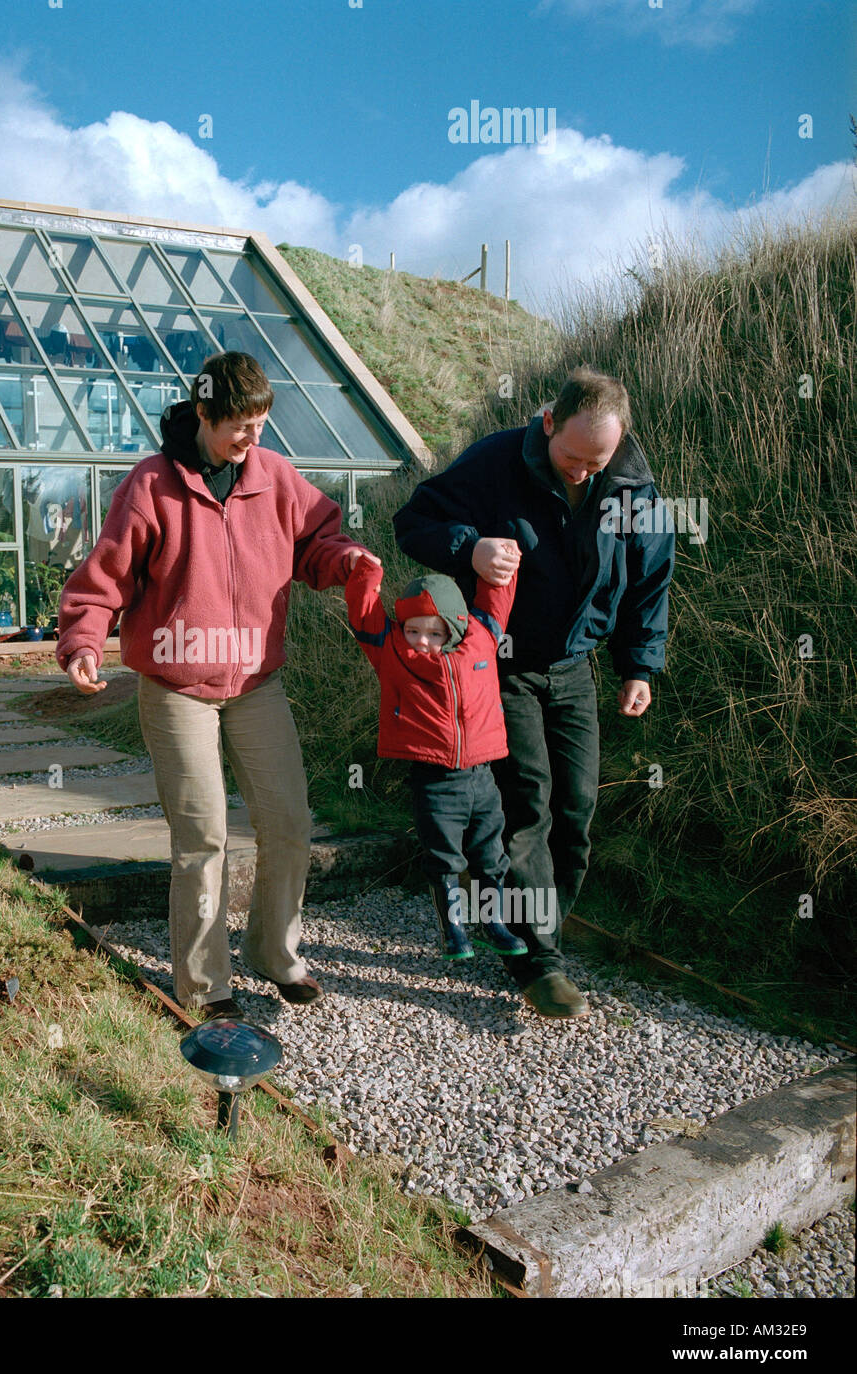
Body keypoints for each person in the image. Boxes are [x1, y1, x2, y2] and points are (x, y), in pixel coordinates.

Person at [56, 352, 376, 1019]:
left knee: (290, 823)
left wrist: (343, 560)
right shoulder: (151, 486)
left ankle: (275, 953)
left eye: (260, 423)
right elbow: (105, 576)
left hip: (256, 681)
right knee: (203, 837)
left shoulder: (278, 478)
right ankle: (206, 984)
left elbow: (316, 543)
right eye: (237, 425)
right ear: (202, 414)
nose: (251, 439)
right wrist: (83, 641)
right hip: (176, 685)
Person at [393, 367, 675, 1018]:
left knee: (575, 814)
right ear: (548, 423)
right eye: (572, 458)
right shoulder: (495, 462)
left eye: (595, 462)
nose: (581, 472)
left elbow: (649, 581)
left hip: (575, 669)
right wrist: (470, 548)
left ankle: (530, 932)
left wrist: (639, 666)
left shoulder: (633, 489)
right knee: (528, 808)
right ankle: (537, 962)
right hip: (505, 668)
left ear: (620, 442)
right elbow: (415, 521)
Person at [344, 554, 529, 961]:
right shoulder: (392, 651)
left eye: (434, 631)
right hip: (435, 780)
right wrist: (368, 571)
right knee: (444, 856)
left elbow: (498, 596)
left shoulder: (481, 637)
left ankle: (493, 922)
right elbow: (362, 612)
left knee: (489, 854)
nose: (422, 641)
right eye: (413, 630)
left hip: (483, 775)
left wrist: (502, 558)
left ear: (456, 627)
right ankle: (453, 931)